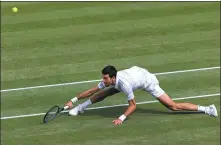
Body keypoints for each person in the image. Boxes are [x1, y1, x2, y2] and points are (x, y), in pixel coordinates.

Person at [65, 65, 218, 125]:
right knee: (104, 93)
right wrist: (73, 100)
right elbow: (92, 91)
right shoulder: (111, 80)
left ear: (112, 77)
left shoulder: (124, 85)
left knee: (173, 106)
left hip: (147, 80)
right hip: (136, 73)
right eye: (103, 77)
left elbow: (133, 106)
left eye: (105, 78)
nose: (103, 80)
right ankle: (80, 108)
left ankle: (207, 109)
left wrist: (121, 118)